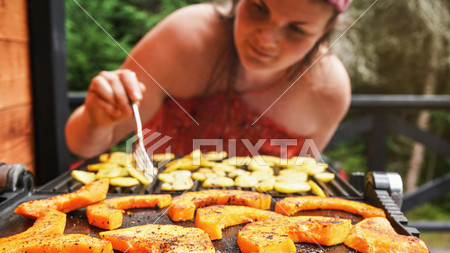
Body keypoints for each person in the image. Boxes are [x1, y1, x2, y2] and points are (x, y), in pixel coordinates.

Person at [65, 0, 352, 159]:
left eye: (296, 30)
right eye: (259, 8)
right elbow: (82, 145)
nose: (266, 39)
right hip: (150, 225)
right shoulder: (183, 38)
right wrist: (96, 119)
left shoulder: (328, 91)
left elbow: (296, 191)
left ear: (326, 29)